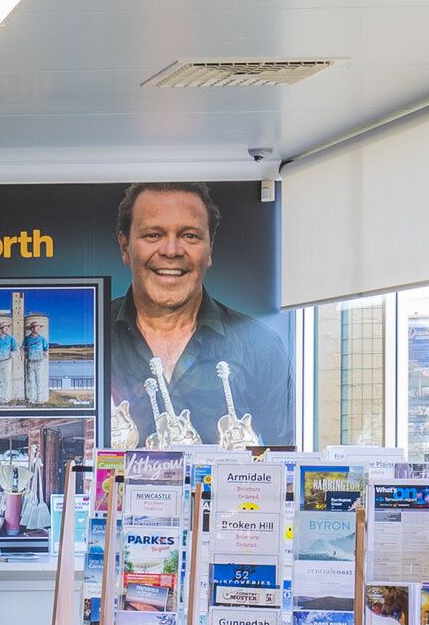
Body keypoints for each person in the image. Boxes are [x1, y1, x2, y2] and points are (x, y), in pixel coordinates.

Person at [105, 183, 291, 440]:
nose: (171, 251)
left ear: (210, 248)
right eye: (153, 235)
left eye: (189, 236)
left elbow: (283, 466)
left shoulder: (261, 348)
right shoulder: (92, 338)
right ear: (125, 247)